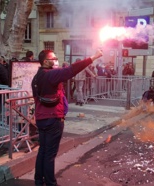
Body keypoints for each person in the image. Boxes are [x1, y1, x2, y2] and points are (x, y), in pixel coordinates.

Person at [31, 49, 103, 186]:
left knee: (43, 151)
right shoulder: (51, 74)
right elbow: (71, 70)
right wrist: (93, 57)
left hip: (41, 118)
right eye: (54, 58)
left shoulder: (37, 76)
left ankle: (39, 181)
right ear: (45, 61)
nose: (56, 60)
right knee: (49, 155)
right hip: (53, 119)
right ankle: (51, 183)